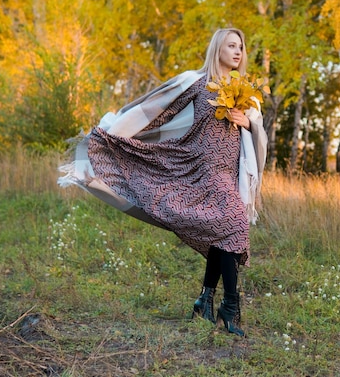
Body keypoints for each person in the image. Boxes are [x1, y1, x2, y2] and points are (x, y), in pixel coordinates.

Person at [58, 28, 268, 337]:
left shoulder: (245, 93)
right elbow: (157, 112)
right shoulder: (196, 82)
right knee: (233, 223)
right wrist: (117, 136)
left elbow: (258, 131)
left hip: (228, 172)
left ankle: (205, 300)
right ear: (217, 49)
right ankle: (231, 308)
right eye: (231, 45)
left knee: (220, 230)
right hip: (196, 167)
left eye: (241, 46)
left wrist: (247, 121)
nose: (238, 52)